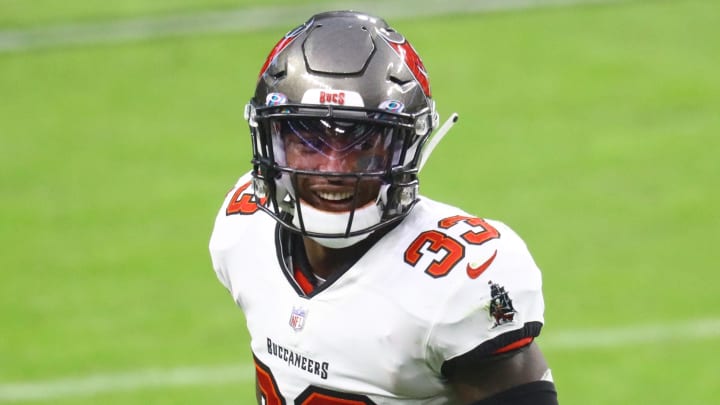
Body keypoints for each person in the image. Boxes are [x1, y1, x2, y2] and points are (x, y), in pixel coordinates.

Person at [209, 10, 558, 405]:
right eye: (308, 141)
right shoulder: (243, 229)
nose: (333, 170)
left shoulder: (457, 279)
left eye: (362, 143)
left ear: (406, 147)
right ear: (271, 142)